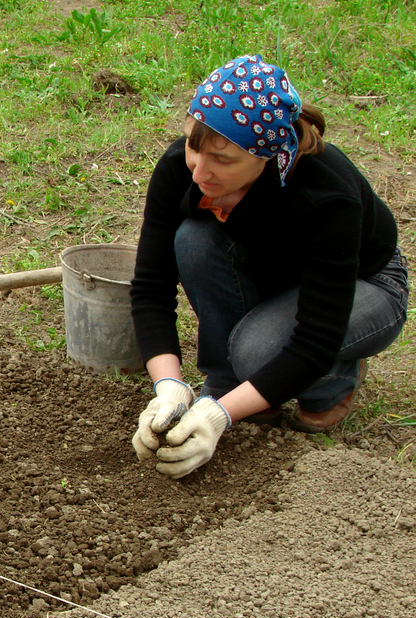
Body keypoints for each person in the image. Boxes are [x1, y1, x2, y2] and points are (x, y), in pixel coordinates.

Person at [130, 54, 409, 479]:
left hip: (366, 282)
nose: (200, 171)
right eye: (193, 146)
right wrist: (169, 387)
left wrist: (218, 417)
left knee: (257, 351)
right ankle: (226, 384)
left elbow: (314, 339)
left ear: (268, 156)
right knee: (194, 238)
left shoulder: (325, 196)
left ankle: (331, 385)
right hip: (275, 267)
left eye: (223, 160)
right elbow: (151, 286)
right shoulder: (180, 169)